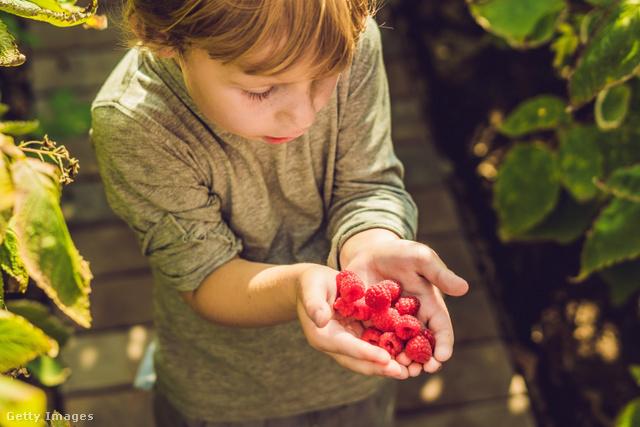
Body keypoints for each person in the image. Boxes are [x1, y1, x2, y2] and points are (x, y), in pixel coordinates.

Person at [90, 0, 469, 425]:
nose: (303, 114)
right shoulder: (136, 124)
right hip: (227, 397)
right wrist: (299, 286)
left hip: (361, 377)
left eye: (326, 76)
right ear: (161, 36)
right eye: (261, 90)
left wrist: (374, 243)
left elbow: (367, 183)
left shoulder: (346, 36)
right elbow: (205, 278)